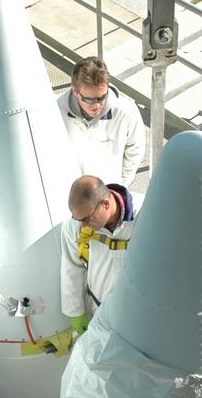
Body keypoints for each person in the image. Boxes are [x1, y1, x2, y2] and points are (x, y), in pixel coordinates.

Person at [61, 175, 139, 336]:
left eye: (86, 219)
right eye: (77, 219)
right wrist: (75, 312)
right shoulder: (74, 227)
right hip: (99, 312)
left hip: (139, 315)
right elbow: (71, 268)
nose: (82, 225)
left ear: (105, 204)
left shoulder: (146, 214)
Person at [57, 57, 145, 188]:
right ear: (74, 91)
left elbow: (135, 149)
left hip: (108, 193)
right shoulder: (57, 111)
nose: (97, 105)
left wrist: (120, 186)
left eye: (102, 97)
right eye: (89, 99)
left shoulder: (126, 112)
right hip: (72, 192)